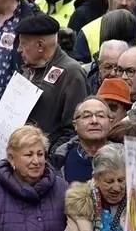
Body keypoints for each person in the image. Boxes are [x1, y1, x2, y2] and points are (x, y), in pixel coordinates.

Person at [16, 14, 88, 152]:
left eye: (23, 43)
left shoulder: (71, 73)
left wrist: (51, 156)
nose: (19, 49)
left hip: (46, 160)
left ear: (40, 45)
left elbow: (74, 127)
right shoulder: (28, 68)